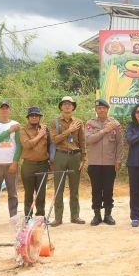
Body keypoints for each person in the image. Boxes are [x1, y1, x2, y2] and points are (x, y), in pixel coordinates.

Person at [86, 99, 124, 226]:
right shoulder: (90, 124)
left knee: (108, 190)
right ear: (96, 110)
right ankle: (97, 215)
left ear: (108, 109)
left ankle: (108, 215)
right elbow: (89, 139)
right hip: (94, 163)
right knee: (96, 190)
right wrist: (104, 131)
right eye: (99, 108)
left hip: (109, 163)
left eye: (104, 108)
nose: (101, 110)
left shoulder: (115, 124)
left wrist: (118, 160)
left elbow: (120, 144)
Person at [50, 96, 86, 226]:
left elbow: (82, 141)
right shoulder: (54, 122)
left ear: (73, 107)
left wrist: (83, 158)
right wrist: (69, 130)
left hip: (75, 156)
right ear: (61, 106)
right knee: (58, 187)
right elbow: (54, 139)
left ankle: (75, 216)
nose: (67, 106)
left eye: (69, 104)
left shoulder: (79, 122)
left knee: (74, 188)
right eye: (64, 104)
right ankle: (58, 218)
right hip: (60, 155)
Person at [20, 106, 50, 219]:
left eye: (36, 115)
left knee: (41, 193)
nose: (34, 117)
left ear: (39, 117)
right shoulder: (23, 130)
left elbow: (49, 146)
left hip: (43, 164)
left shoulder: (45, 129)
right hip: (29, 165)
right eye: (31, 115)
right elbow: (27, 145)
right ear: (28, 118)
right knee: (29, 193)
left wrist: (51, 162)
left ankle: (40, 215)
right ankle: (28, 216)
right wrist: (40, 135)